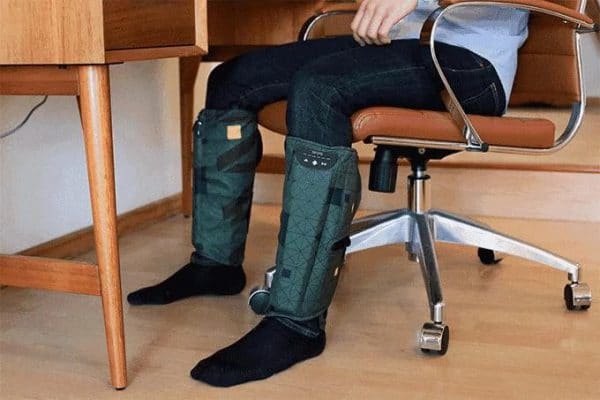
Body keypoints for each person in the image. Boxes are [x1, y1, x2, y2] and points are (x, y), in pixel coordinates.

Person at [127, 0, 529, 387]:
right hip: (396, 43)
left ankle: (296, 324)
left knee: (319, 90)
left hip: (473, 63)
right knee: (231, 80)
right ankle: (215, 265)